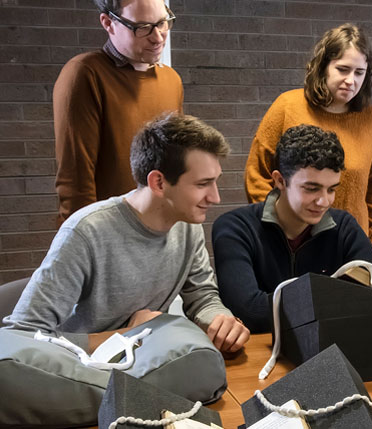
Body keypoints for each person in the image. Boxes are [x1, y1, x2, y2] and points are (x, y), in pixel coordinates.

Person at [4, 113, 249, 354]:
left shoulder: (187, 224)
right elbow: (21, 337)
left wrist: (221, 321)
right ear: (159, 183)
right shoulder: (85, 232)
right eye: (202, 184)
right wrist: (125, 337)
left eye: (215, 181)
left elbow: (202, 297)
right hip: (79, 373)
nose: (215, 197)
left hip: (141, 363)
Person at [213, 124, 372, 333]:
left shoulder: (344, 227)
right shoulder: (235, 228)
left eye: (332, 189)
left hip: (328, 348)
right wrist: (339, 297)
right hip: (258, 355)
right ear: (280, 180)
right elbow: (250, 313)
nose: (324, 201)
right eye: (311, 189)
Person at [243, 23, 372, 242]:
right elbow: (257, 174)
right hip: (292, 240)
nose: (351, 81)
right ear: (324, 67)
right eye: (342, 69)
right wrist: (276, 228)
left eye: (359, 73)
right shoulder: (287, 106)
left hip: (349, 242)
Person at [53, 0, 183, 224]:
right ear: (108, 22)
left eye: (162, 23)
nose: (158, 37)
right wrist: (86, 244)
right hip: (110, 232)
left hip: (163, 227)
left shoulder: (171, 80)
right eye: (142, 27)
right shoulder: (84, 74)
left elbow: (176, 162)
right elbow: (76, 181)